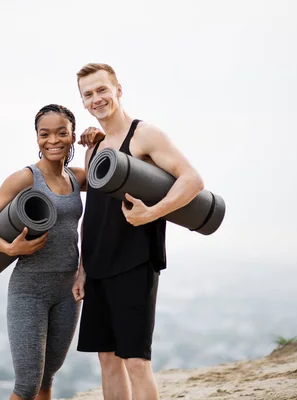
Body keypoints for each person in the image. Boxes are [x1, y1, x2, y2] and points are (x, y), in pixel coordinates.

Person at [72, 63, 205, 400]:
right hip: (98, 265)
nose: (97, 98)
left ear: (118, 89)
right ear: (83, 103)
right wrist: (83, 269)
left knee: (135, 361)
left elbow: (192, 179)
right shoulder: (94, 147)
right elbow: (93, 213)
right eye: (88, 94)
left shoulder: (145, 135)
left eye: (102, 89)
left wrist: (152, 213)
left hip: (135, 260)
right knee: (107, 359)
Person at [0, 104, 100, 400]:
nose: (53, 140)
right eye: (45, 134)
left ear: (71, 136)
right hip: (29, 290)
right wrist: (8, 247)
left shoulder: (75, 178)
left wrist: (96, 140)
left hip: (68, 290)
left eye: (61, 133)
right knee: (27, 383)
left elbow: (107, 175)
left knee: (46, 379)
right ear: (37, 139)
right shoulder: (26, 178)